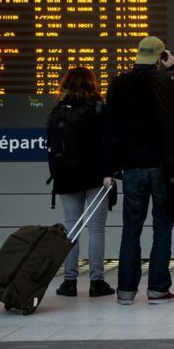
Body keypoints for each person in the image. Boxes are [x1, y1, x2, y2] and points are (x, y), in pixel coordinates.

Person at [103, 36, 174, 305]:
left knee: (130, 229)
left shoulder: (119, 84)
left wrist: (109, 169)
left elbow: (110, 131)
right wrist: (172, 69)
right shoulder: (165, 82)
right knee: (162, 227)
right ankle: (157, 290)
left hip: (131, 169)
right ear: (159, 57)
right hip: (161, 168)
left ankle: (125, 292)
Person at [50, 67, 115, 298]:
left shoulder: (58, 110)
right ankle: (97, 282)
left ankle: (69, 282)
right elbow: (108, 141)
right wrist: (109, 172)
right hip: (96, 176)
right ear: (92, 84)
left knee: (72, 228)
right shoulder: (98, 109)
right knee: (96, 229)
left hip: (66, 177)